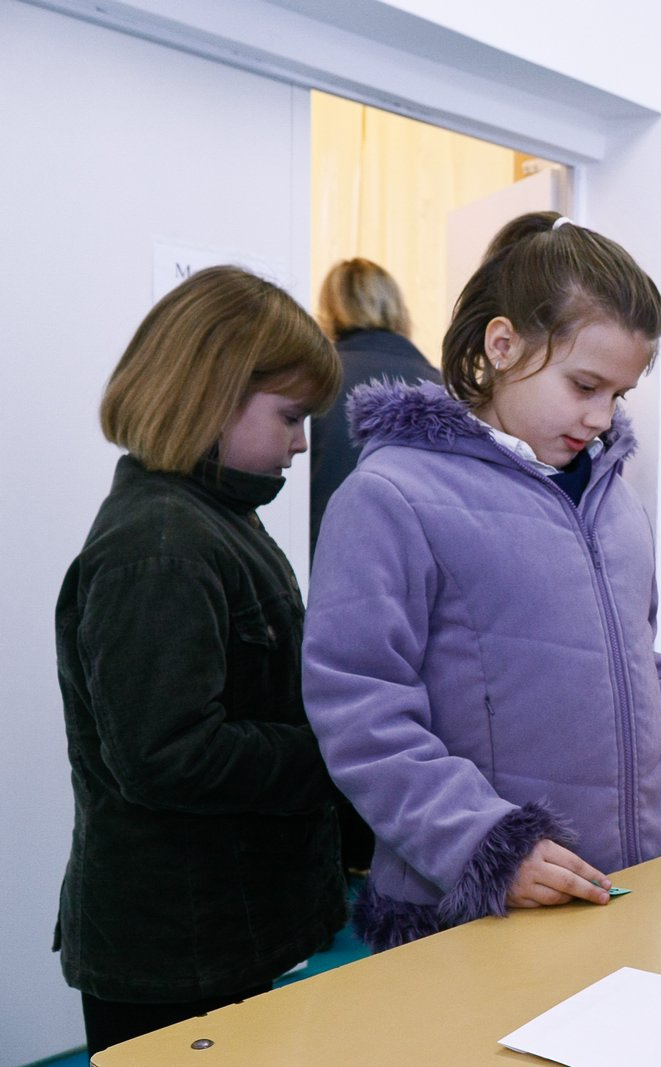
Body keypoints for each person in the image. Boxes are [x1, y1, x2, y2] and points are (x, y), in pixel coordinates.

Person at [301, 212, 661, 953]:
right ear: (502, 345)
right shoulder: (391, 495)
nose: (600, 418)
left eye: (618, 397)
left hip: (626, 891)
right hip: (474, 915)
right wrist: (487, 842)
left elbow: (644, 671)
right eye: (584, 384)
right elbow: (359, 706)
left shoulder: (616, 503)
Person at [54, 266, 346, 1056]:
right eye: (290, 415)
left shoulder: (220, 519)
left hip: (226, 924)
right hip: (173, 946)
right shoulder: (159, 546)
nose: (301, 440)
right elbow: (167, 755)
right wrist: (333, 756)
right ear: (211, 393)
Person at [309, 256, 441, 875]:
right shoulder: (445, 388)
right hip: (432, 603)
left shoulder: (318, 387)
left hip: (330, 589)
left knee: (352, 722)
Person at [309, 257, 441, 559]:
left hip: (327, 568)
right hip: (422, 580)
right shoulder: (446, 390)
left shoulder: (314, 382)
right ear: (399, 308)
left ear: (329, 309)